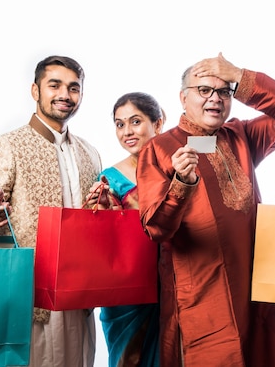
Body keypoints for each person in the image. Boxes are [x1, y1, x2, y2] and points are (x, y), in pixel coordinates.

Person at [135, 52, 275, 366]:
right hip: (201, 297)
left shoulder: (239, 137)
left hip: (254, 292)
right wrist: (181, 183)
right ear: (182, 97)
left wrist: (241, 76)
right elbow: (156, 229)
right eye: (204, 90)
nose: (215, 99)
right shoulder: (160, 149)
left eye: (224, 91)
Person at [0, 55, 101, 367]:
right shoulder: (9, 145)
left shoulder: (90, 153)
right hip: (30, 301)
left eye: (73, 88)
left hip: (79, 302)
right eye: (55, 85)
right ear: (35, 91)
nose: (65, 94)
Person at [85, 92, 164, 367]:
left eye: (135, 121)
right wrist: (105, 207)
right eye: (120, 124)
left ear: (158, 122)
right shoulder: (110, 176)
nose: (127, 132)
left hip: (174, 279)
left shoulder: (176, 164)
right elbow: (105, 238)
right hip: (128, 292)